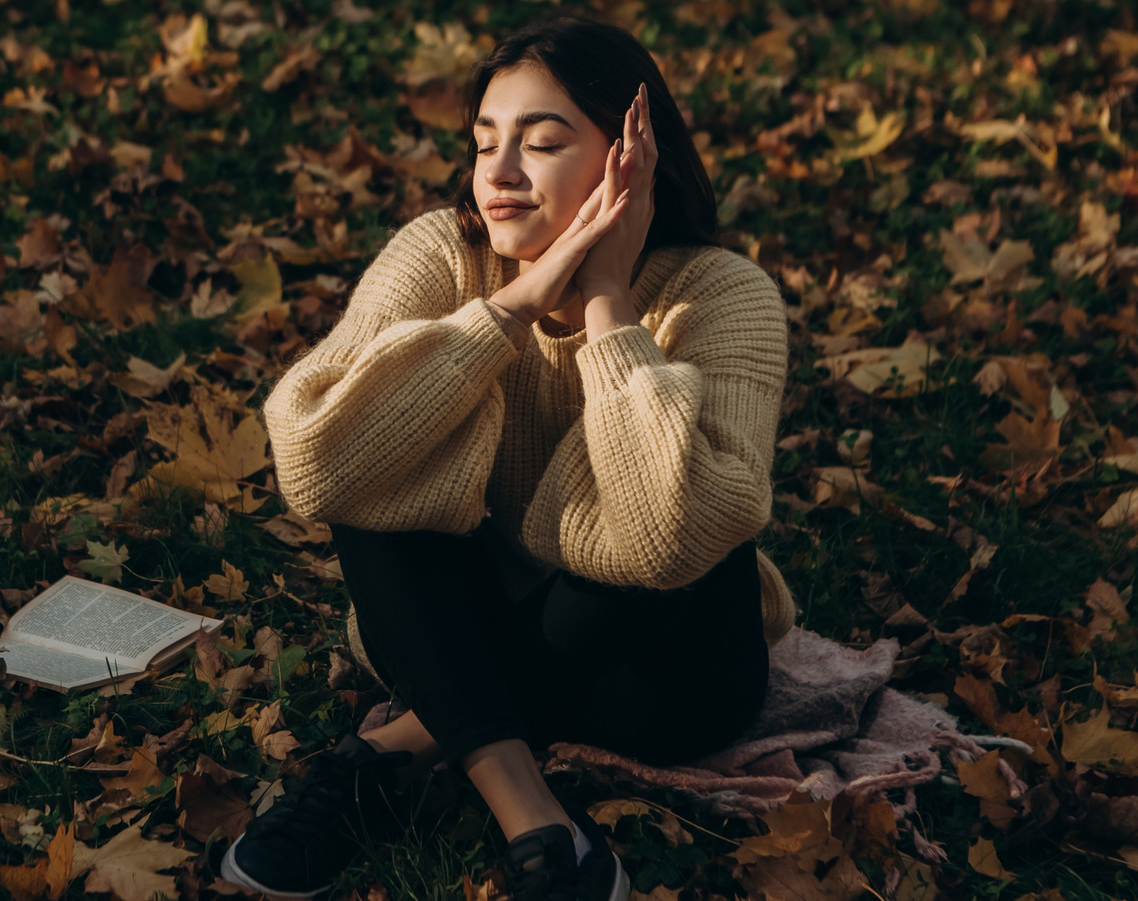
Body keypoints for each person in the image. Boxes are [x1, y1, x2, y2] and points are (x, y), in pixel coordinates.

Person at [219, 15, 796, 901]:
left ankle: (400, 746)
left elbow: (666, 537)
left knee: (664, 501)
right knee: (370, 440)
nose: (500, 172)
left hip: (664, 677)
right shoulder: (442, 254)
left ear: (625, 160)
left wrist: (606, 302)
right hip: (468, 615)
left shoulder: (720, 294)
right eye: (486, 141)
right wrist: (512, 307)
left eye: (543, 141)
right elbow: (317, 460)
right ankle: (534, 818)